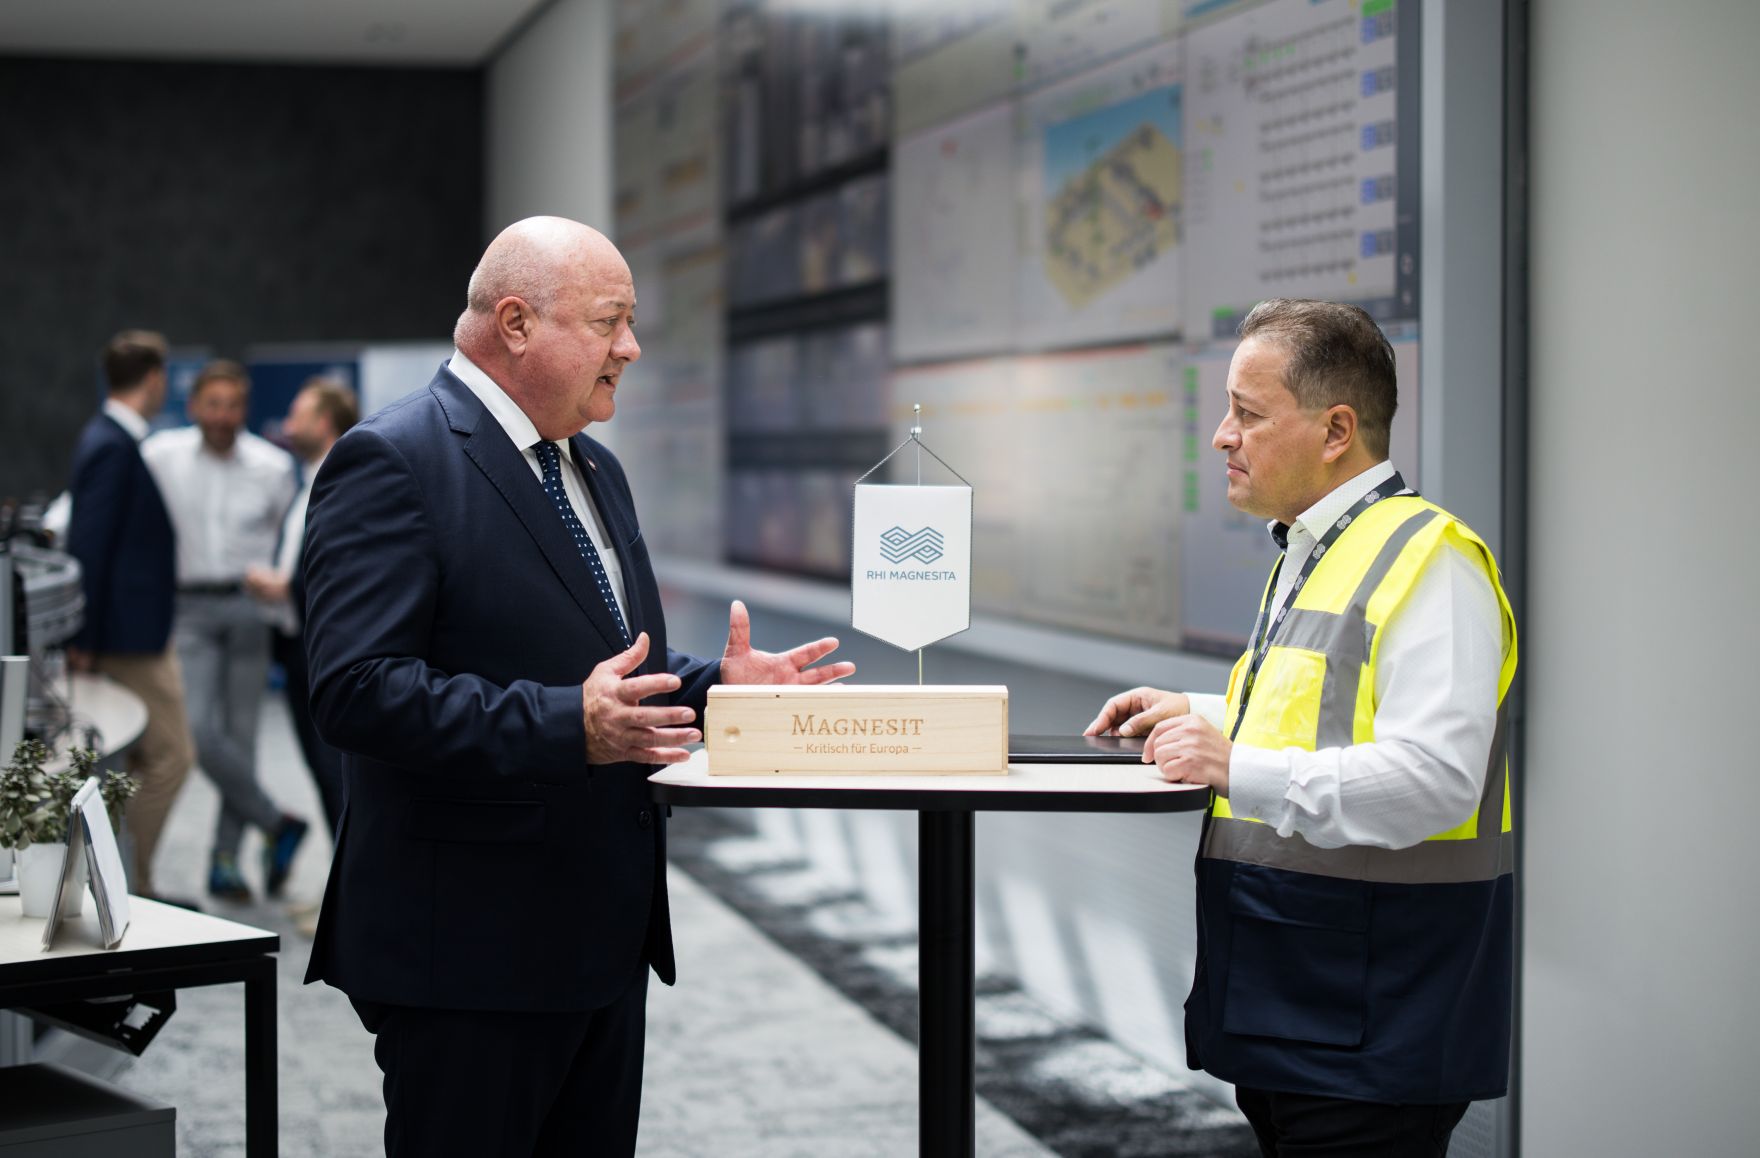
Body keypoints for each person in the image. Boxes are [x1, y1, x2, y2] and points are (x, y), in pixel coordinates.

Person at [301, 216, 855, 1158]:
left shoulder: (593, 465)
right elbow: (355, 688)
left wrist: (719, 685)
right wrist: (569, 725)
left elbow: (605, 663)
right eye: (610, 322)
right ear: (517, 323)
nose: (630, 348)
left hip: (599, 941)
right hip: (468, 952)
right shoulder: (394, 459)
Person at [1085, 299, 1518, 1157]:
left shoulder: (1433, 562)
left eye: (1247, 413)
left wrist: (1233, 766)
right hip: (1300, 1004)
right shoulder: (1315, 548)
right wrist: (1198, 713)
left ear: (1336, 431)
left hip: (1375, 1016)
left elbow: (1437, 780)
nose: (1223, 436)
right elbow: (1323, 720)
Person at [142, 361, 308, 902]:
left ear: (245, 409)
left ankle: (225, 862)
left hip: (249, 609)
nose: (222, 416)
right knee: (196, 732)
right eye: (212, 405)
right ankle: (276, 821)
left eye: (233, 405)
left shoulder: (272, 467)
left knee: (241, 736)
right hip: (189, 607)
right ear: (193, 407)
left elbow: (293, 534)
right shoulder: (161, 456)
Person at [63, 330, 196, 902]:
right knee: (171, 757)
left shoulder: (112, 439)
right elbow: (89, 548)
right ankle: (126, 886)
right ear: (155, 378)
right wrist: (85, 639)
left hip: (129, 632)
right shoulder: (113, 445)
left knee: (133, 758)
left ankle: (120, 882)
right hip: (126, 639)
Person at [244, 377, 358, 838]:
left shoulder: (345, 479)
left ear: (324, 422)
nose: (287, 427)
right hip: (300, 647)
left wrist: (283, 587)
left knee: (335, 774)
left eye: (297, 417)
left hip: (324, 649)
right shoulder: (311, 478)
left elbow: (343, 565)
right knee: (324, 773)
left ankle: (354, 875)